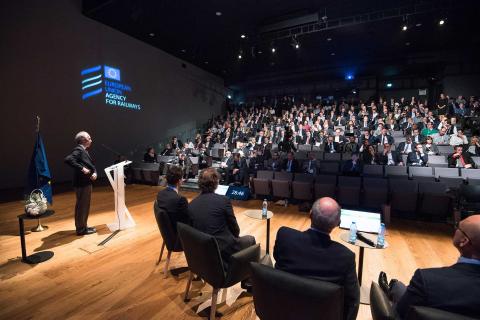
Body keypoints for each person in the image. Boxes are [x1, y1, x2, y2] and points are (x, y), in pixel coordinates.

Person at [274, 197, 360, 320]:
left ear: (310, 215)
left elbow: (277, 259)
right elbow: (353, 301)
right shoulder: (345, 257)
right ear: (337, 223)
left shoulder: (285, 236)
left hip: (280, 311)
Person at [379, 215, 480, 319]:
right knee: (401, 288)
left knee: (399, 288)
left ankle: (392, 287)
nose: (455, 229)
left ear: (463, 241)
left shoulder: (427, 279)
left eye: (458, 227)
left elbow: (399, 313)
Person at [188, 168, 255, 267]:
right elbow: (236, 231)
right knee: (250, 239)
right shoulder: (224, 200)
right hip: (223, 250)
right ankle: (248, 280)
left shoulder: (191, 205)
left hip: (201, 252)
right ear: (216, 183)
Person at [64, 131, 97, 236]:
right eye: (89, 138)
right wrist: (82, 168)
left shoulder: (84, 150)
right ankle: (81, 229)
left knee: (85, 206)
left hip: (86, 182)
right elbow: (68, 159)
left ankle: (84, 226)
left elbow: (90, 165)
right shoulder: (78, 149)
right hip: (82, 184)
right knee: (82, 206)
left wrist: (94, 172)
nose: (91, 140)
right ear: (83, 140)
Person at [156, 165, 190, 233]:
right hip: (179, 234)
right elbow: (187, 221)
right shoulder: (181, 200)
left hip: (168, 232)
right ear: (179, 181)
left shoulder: (160, 194)